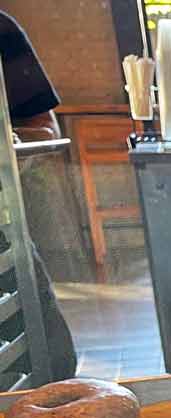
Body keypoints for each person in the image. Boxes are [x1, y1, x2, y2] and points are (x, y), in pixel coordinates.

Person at [0, 11, 77, 379]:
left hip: (4, 242)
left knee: (54, 364)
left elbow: (44, 130)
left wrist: (8, 142)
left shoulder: (1, 30)